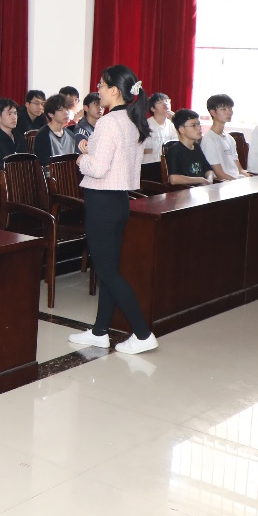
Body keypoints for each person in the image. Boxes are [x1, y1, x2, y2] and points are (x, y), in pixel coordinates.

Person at [69, 64, 158, 355]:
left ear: (115, 91)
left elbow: (97, 167)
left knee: (108, 272)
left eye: (101, 85)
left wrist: (81, 157)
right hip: (118, 200)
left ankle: (143, 334)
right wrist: (91, 150)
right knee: (109, 270)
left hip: (102, 202)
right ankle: (100, 331)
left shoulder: (109, 122)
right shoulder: (133, 120)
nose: (98, 90)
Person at [200, 94, 249, 180]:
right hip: (223, 183)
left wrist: (250, 179)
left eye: (230, 109)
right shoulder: (209, 139)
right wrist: (238, 182)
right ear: (213, 112)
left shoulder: (230, 138)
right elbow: (219, 174)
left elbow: (240, 170)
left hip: (236, 179)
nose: (229, 112)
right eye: (224, 109)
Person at [164, 109, 214, 186]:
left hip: (201, 189)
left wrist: (209, 180)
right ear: (182, 129)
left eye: (199, 124)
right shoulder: (174, 150)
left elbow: (208, 169)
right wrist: (200, 180)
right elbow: (174, 179)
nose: (199, 128)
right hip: (184, 191)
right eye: (193, 125)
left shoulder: (196, 147)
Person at [34, 95, 79, 160]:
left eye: (67, 109)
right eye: (61, 110)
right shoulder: (43, 135)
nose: (66, 113)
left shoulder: (70, 134)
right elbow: (44, 162)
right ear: (50, 114)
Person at [140, 92, 177, 165]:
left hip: (167, 165)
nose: (165, 104)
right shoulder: (145, 125)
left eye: (167, 101)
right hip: (148, 164)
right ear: (153, 109)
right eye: (160, 102)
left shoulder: (172, 124)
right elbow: (139, 148)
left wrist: (177, 122)